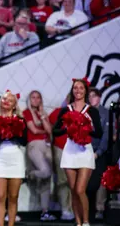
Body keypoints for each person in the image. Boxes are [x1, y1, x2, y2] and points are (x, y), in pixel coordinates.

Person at [53, 78, 103, 226]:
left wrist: (86, 129)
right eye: (75, 88)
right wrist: (67, 129)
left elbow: (99, 132)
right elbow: (55, 130)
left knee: (80, 189)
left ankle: (86, 221)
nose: (78, 91)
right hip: (70, 151)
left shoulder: (91, 110)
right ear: (72, 90)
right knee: (73, 190)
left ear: (85, 91)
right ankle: (79, 222)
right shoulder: (65, 110)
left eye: (81, 88)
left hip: (85, 151)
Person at [0, 91, 26, 226]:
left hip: (15, 157)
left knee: (13, 197)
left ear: (15, 104)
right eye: (4, 99)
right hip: (0, 157)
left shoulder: (21, 119)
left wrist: (13, 130)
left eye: (10, 99)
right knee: (0, 195)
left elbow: (24, 141)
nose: (6, 101)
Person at [23, 90, 55, 221]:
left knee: (47, 181)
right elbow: (34, 130)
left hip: (47, 145)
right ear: (29, 100)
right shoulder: (26, 112)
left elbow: (50, 130)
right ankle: (29, 174)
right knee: (45, 171)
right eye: (33, 98)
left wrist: (42, 116)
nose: (35, 100)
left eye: (38, 98)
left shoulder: (43, 113)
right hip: (34, 144)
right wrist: (45, 131)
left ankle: (45, 212)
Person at [86, 88, 110, 220]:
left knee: (101, 181)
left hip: (99, 151)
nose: (91, 98)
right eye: (89, 96)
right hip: (85, 150)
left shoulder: (106, 113)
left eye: (94, 96)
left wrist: (98, 152)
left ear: (99, 97)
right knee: (86, 182)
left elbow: (106, 136)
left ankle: (99, 209)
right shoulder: (85, 112)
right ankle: (86, 210)